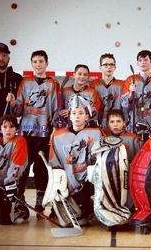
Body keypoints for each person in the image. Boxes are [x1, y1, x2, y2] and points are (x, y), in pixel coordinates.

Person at [6, 50, 60, 215]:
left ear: (46, 63)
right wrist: (14, 102)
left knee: (41, 169)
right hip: (26, 133)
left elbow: (57, 109)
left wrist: (55, 129)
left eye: (41, 61)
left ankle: (40, 200)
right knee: (22, 167)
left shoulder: (53, 84)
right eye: (35, 61)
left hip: (44, 133)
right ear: (31, 64)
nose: (38, 64)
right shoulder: (25, 83)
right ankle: (19, 199)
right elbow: (18, 110)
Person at [48, 95, 104, 223]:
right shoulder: (58, 135)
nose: (77, 116)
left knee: (84, 212)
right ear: (69, 115)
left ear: (87, 116)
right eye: (74, 113)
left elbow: (101, 161)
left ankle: (89, 207)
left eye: (81, 113)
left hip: (89, 183)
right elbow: (54, 162)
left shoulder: (96, 133)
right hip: (67, 182)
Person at [121, 50, 151, 142]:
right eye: (140, 60)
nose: (143, 62)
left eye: (146, 60)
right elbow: (123, 104)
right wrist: (130, 93)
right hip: (134, 123)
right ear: (137, 63)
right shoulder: (131, 79)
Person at [90, 53, 124, 129]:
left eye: (111, 65)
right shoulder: (93, 84)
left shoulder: (122, 84)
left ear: (115, 67)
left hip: (116, 126)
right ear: (100, 67)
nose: (109, 67)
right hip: (97, 124)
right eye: (105, 65)